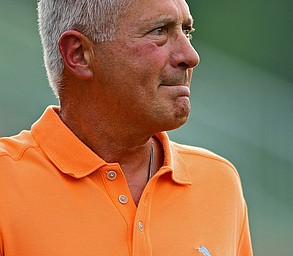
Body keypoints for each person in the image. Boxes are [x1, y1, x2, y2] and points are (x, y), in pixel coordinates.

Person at [0, 0, 253, 255]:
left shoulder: (220, 182)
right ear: (79, 54)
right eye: (159, 31)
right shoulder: (6, 183)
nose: (190, 56)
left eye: (186, 31)